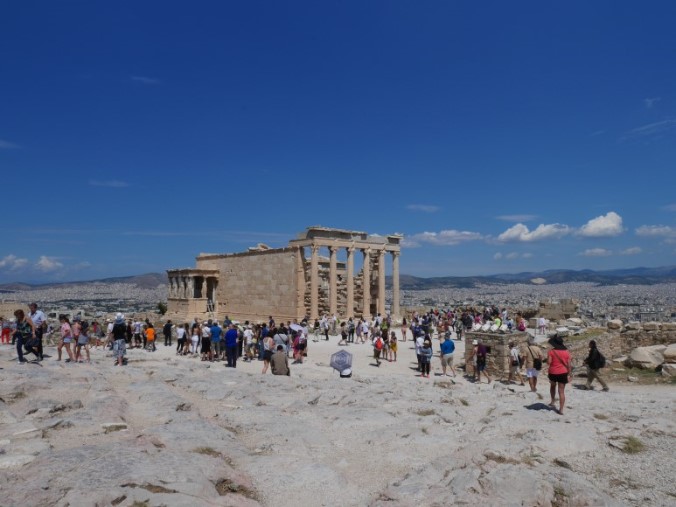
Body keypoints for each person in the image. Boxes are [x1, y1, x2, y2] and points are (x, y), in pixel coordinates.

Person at [547, 335, 572, 415]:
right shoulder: (567, 352)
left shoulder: (551, 351)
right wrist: (570, 374)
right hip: (563, 372)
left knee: (552, 386)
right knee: (561, 391)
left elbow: (549, 362)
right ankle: (561, 409)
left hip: (553, 372)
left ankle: (552, 401)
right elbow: (569, 365)